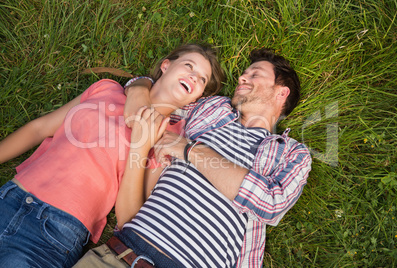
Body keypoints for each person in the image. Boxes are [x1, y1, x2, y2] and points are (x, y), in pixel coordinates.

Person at [74, 48, 312, 267]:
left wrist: (189, 150)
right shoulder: (213, 109)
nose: (242, 78)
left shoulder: (292, 153)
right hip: (118, 254)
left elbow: (270, 204)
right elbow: (160, 98)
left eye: (255, 74)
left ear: (282, 92)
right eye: (244, 73)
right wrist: (139, 84)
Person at [0, 43, 224, 268]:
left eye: (203, 79)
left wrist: (141, 145)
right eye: (189, 66)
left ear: (195, 99)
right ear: (166, 65)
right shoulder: (106, 89)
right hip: (11, 195)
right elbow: (40, 128)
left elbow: (130, 216)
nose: (194, 77)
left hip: (56, 231)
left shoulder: (169, 140)